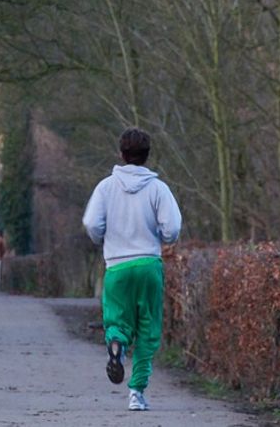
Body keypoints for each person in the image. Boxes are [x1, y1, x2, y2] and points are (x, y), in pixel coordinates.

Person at [82, 128, 181, 412]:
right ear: (147, 156)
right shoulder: (158, 188)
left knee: (117, 320)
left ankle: (116, 344)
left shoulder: (105, 187)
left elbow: (91, 223)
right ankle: (136, 393)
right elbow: (172, 228)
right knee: (148, 328)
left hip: (117, 266)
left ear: (121, 154)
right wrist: (163, 238)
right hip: (149, 264)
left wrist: (103, 237)